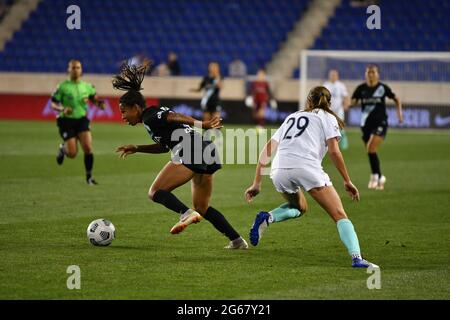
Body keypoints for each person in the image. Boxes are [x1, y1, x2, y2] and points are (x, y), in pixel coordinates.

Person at [112, 62, 248, 249]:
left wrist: (203, 124)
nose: (123, 117)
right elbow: (163, 146)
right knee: (202, 207)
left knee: (155, 192)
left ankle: (185, 213)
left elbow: (173, 116)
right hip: (204, 149)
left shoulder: (150, 116)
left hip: (190, 149)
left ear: (135, 107)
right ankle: (237, 241)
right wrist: (137, 147)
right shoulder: (150, 119)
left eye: (124, 111)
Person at [245, 86, 378, 268]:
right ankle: (357, 258)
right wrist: (347, 180)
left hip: (279, 169)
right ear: (329, 102)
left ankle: (267, 217)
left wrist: (256, 183)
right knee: (339, 215)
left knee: (299, 207)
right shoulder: (328, 117)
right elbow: (334, 151)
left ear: (308, 101)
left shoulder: (292, 116)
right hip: (307, 167)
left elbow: (268, 148)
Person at [51, 59, 105, 185]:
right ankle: (63, 149)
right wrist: (63, 109)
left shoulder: (87, 86)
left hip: (81, 120)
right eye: (73, 67)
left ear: (81, 70)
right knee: (73, 153)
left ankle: (89, 177)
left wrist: (100, 104)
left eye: (78, 67)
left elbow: (95, 100)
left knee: (87, 147)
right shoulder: (62, 86)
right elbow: (53, 104)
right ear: (68, 70)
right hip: (66, 121)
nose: (76, 70)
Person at [350, 64, 403, 190]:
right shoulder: (360, 88)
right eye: (368, 72)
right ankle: (380, 177)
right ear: (365, 74)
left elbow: (397, 99)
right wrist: (346, 103)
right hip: (365, 125)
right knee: (370, 151)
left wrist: (399, 114)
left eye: (373, 72)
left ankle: (374, 177)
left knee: (371, 147)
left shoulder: (383, 88)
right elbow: (352, 102)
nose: (370, 74)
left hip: (381, 123)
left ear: (378, 74)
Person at [323, 69, 350, 150]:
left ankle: (343, 141)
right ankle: (328, 143)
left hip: (339, 109)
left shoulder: (341, 85)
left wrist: (346, 104)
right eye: (332, 75)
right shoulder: (325, 85)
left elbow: (346, 96)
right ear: (329, 76)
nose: (333, 76)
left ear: (337, 76)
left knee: (340, 126)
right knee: (327, 126)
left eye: (335, 75)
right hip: (328, 110)